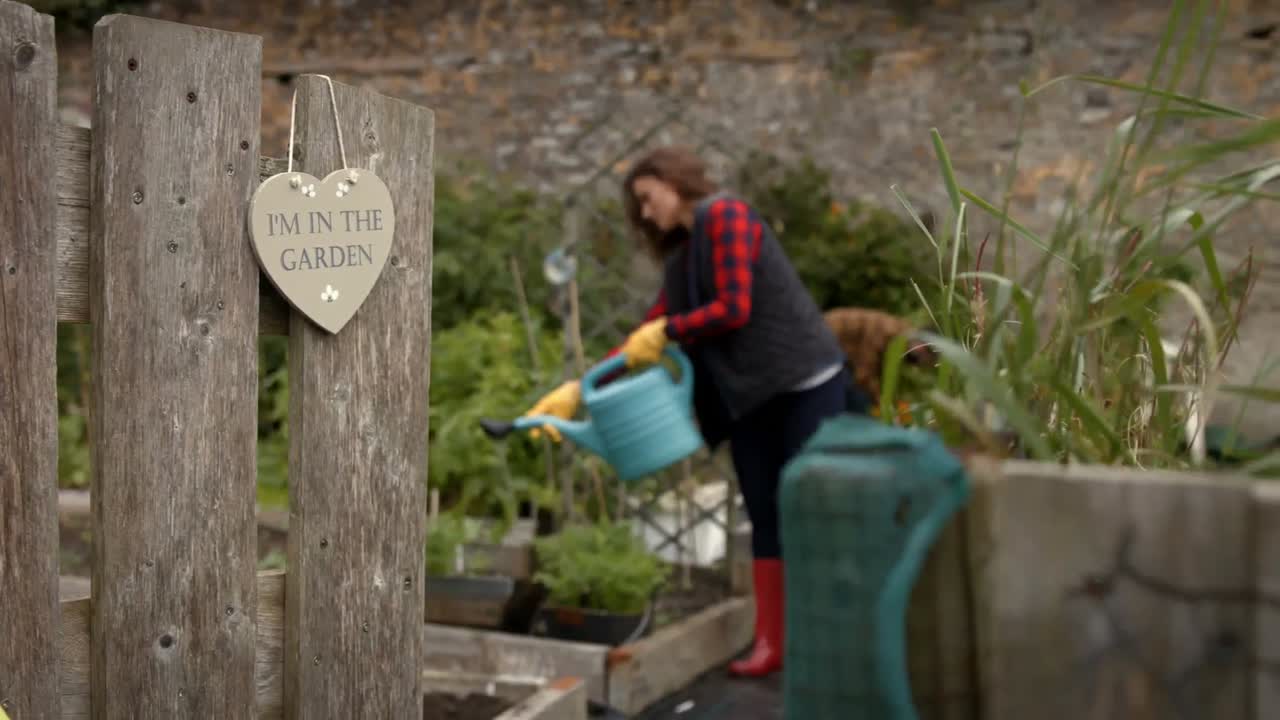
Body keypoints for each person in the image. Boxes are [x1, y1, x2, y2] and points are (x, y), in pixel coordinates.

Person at [521, 146, 849, 678]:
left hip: (802, 382)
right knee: (765, 517)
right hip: (749, 399)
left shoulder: (727, 216)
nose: (646, 215)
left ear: (674, 181)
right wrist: (578, 390)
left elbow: (733, 306)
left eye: (648, 199)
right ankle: (771, 644)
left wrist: (669, 331)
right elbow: (643, 338)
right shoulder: (681, 261)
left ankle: (828, 645)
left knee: (810, 512)